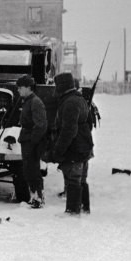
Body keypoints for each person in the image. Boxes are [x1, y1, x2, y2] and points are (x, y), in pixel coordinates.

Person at [50, 72, 94, 215]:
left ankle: (72, 212)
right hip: (84, 145)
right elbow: (89, 123)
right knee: (81, 179)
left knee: (73, 179)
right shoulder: (79, 99)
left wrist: (58, 150)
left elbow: (68, 131)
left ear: (62, 86)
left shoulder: (69, 102)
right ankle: (84, 208)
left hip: (74, 148)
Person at [16, 74, 48, 208]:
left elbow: (41, 125)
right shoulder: (28, 101)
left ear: (28, 88)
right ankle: (34, 196)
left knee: (33, 170)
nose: (18, 90)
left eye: (20, 87)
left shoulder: (35, 102)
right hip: (28, 139)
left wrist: (33, 142)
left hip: (31, 141)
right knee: (28, 170)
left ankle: (38, 198)